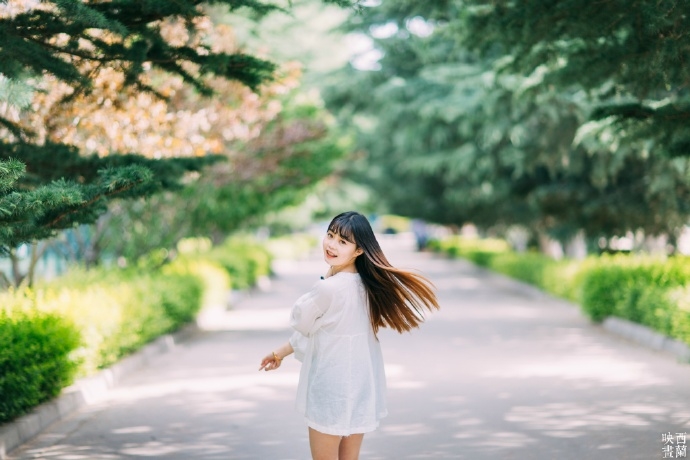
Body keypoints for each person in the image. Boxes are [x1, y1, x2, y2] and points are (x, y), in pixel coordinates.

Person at [259, 211, 439, 460]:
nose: (331, 244)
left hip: (331, 392)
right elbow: (321, 331)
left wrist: (328, 276)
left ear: (358, 251)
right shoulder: (367, 287)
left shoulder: (328, 288)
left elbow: (301, 320)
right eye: (330, 235)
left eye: (343, 241)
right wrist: (280, 353)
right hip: (359, 390)